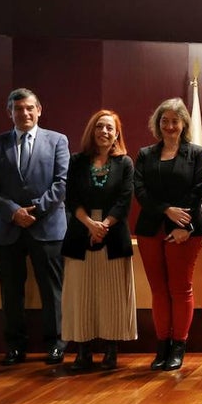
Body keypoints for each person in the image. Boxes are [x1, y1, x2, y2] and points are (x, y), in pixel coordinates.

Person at [0, 88, 70, 366]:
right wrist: (13, 212)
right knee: (10, 291)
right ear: (9, 113)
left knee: (52, 290)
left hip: (48, 227)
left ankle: (56, 343)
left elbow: (62, 182)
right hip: (8, 229)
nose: (25, 113)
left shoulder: (57, 140)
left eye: (30, 108)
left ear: (39, 110)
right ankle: (15, 346)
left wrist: (36, 209)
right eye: (18, 109)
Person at [134, 98, 202, 372]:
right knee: (158, 291)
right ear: (158, 124)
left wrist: (182, 225)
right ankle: (162, 345)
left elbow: (197, 192)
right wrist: (167, 211)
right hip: (150, 230)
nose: (169, 126)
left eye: (175, 121)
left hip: (186, 231)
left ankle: (179, 345)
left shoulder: (197, 154)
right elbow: (140, 191)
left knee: (180, 288)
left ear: (183, 124)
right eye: (164, 121)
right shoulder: (144, 155)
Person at [61, 110, 136, 371]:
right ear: (92, 131)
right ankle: (82, 351)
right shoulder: (77, 161)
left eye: (110, 128)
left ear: (117, 134)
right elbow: (71, 199)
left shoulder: (125, 163)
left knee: (112, 296)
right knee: (81, 294)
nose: (104, 132)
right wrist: (90, 224)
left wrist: (103, 225)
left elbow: (124, 200)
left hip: (113, 234)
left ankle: (111, 351)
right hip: (81, 232)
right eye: (100, 127)